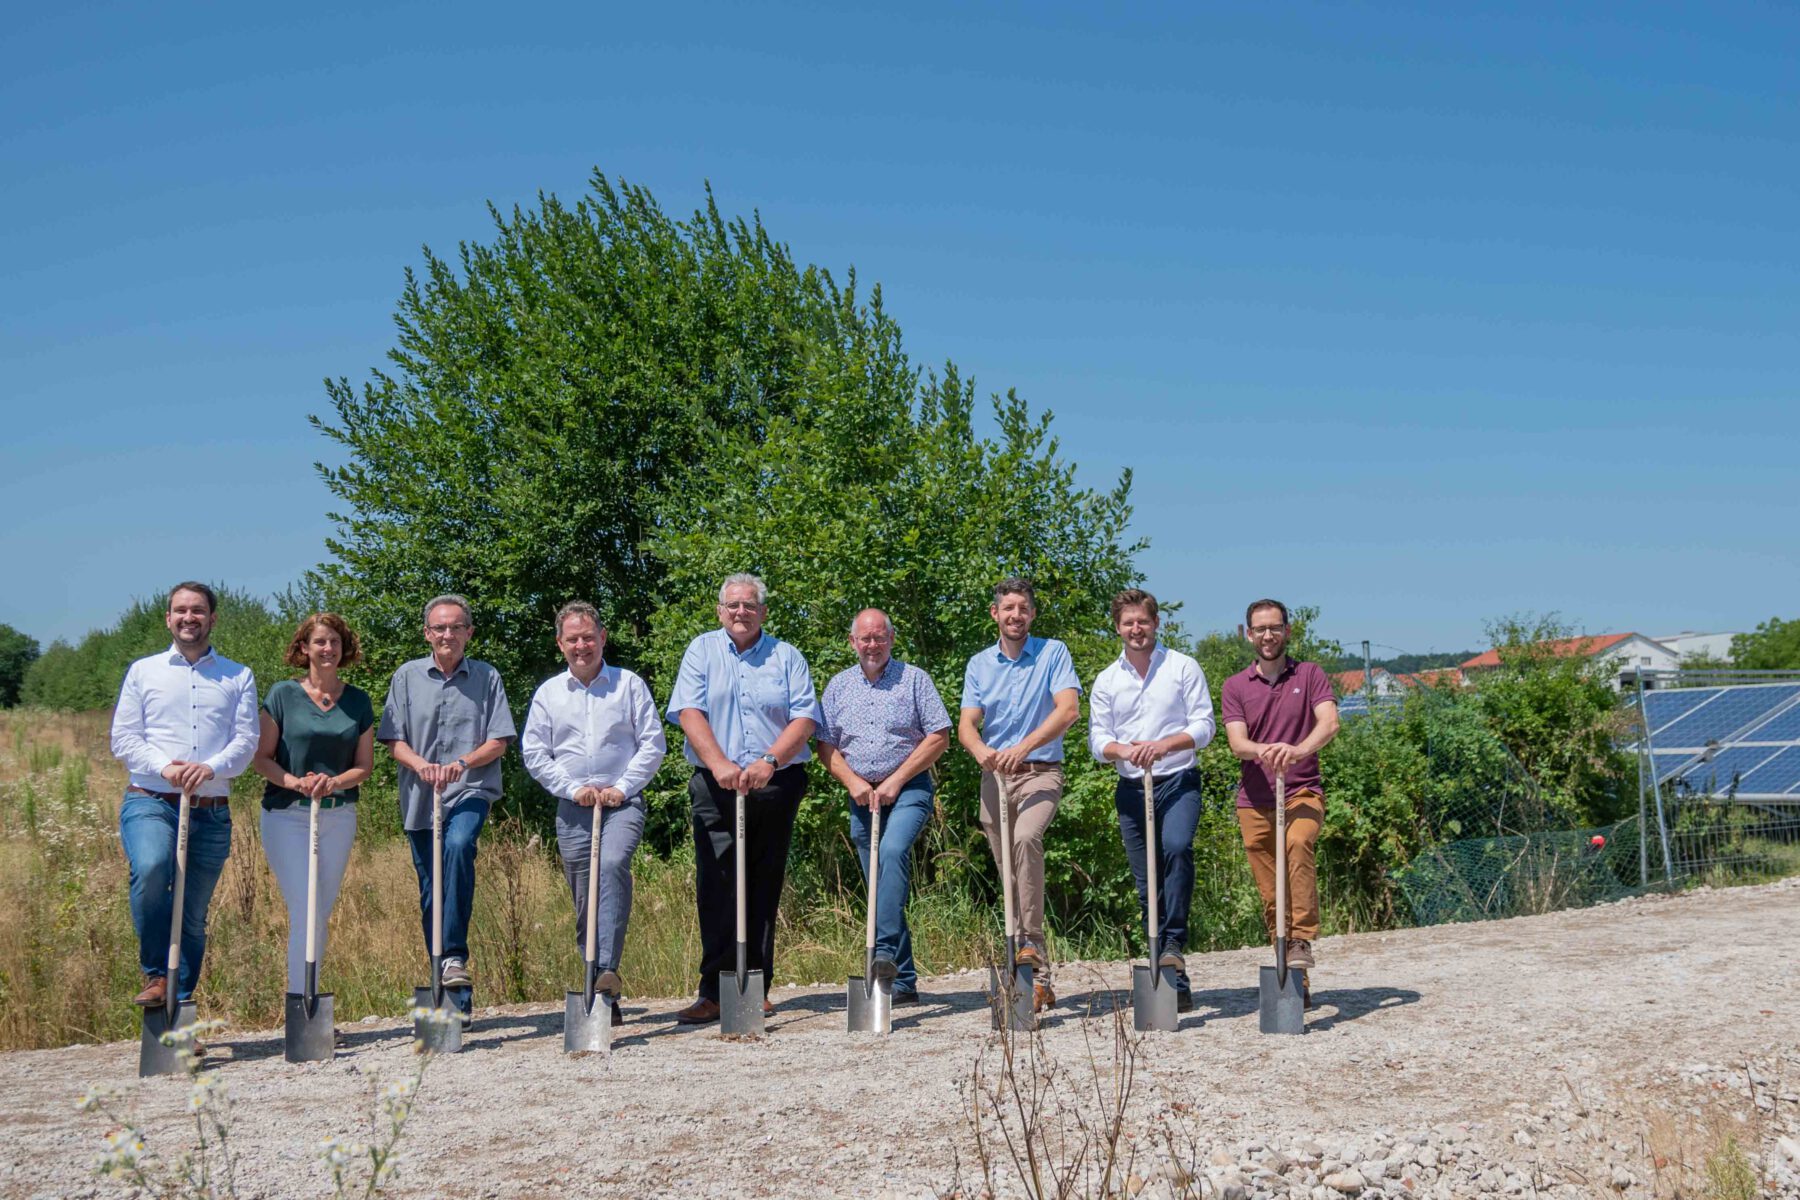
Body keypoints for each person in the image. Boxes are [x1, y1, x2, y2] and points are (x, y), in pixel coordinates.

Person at [666, 573, 820, 1025]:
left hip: (774, 782)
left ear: (763, 612)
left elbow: (805, 717)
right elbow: (689, 711)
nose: (740, 612)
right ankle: (714, 990)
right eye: (732, 605)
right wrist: (719, 764)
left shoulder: (786, 656)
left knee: (761, 882)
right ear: (720, 610)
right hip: (716, 783)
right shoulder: (702, 650)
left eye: (749, 605)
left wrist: (768, 761)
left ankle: (756, 985)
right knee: (716, 883)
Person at [109, 582, 259, 1009]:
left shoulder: (237, 675)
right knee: (153, 867)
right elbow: (124, 738)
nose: (188, 618)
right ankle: (157, 974)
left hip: (210, 810)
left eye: (198, 611)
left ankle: (178, 1008)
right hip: (151, 799)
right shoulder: (144, 671)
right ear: (168, 619)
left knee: (191, 917)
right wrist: (168, 768)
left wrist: (209, 767)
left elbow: (246, 740)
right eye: (180, 611)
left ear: (212, 618)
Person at [521, 601, 665, 1026]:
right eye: (572, 639)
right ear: (560, 644)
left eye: (588, 636)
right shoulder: (549, 693)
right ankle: (599, 985)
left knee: (614, 865)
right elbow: (535, 753)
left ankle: (606, 969)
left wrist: (621, 788)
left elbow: (652, 744)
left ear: (602, 637)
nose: (581, 645)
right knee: (585, 894)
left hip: (623, 803)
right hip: (574, 807)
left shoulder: (628, 685)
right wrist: (573, 789)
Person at [376, 594, 516, 1009]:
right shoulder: (406, 677)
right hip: (421, 797)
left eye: (456, 627)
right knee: (431, 890)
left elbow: (499, 740)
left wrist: (461, 763)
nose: (448, 635)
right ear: (427, 633)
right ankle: (451, 994)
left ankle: (454, 956)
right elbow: (393, 739)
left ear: (469, 633)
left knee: (457, 847)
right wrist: (421, 765)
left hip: (470, 789)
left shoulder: (486, 677)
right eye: (440, 628)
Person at [816, 608, 952, 1006]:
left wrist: (894, 781)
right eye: (865, 638)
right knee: (880, 885)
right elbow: (825, 745)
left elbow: (939, 735)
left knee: (891, 852)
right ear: (852, 641)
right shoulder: (839, 686)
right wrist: (854, 782)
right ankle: (904, 981)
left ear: (892, 639)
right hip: (861, 795)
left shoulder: (914, 679)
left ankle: (884, 955)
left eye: (880, 637)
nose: (872, 645)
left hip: (908, 788)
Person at [957, 578, 1081, 1012]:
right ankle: (1023, 966)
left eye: (1023, 608)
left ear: (1031, 614)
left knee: (1027, 838)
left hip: (1040, 771)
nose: (1016, 615)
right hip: (995, 778)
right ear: (995, 614)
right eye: (1008, 608)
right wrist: (984, 754)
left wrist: (1021, 748)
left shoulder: (1053, 653)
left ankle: (1034, 953)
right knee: (1006, 868)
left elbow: (1069, 710)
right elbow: (967, 725)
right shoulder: (979, 665)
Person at [1088, 588, 1215, 1010]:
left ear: (1156, 623)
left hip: (1177, 780)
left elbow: (1204, 726)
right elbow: (1097, 739)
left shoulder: (1182, 667)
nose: (1136, 629)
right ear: (1118, 627)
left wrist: (1163, 745)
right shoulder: (1107, 680)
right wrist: (1123, 751)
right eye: (1128, 623)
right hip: (1131, 788)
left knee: (1176, 849)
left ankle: (1174, 946)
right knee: (1147, 884)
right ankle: (1167, 976)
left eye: (1143, 621)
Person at [251, 612, 375, 997]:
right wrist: (294, 781)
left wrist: (333, 782)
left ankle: (309, 1002)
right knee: (306, 908)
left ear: (344, 648)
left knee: (319, 911)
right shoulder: (282, 695)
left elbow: (364, 766)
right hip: (286, 816)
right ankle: (300, 999)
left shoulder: (357, 701)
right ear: (303, 648)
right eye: (319, 641)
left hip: (338, 817)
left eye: (334, 642)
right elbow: (262, 758)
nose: (327, 648)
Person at [1219, 598, 1341, 970]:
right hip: (1254, 800)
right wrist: (1265, 750)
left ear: (1287, 630)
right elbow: (1238, 743)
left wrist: (1298, 750)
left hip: (1301, 789)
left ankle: (1301, 938)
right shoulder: (1236, 685)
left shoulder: (1309, 675)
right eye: (1260, 629)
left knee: (1298, 842)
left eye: (1275, 627)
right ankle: (1288, 968)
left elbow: (1330, 722)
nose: (1268, 635)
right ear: (1249, 634)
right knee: (1272, 890)